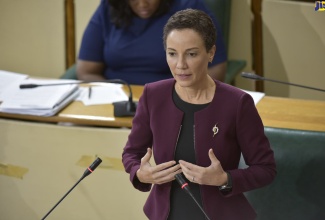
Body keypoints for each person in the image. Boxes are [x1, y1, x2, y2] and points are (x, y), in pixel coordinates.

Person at [122, 8, 276, 220]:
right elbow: (131, 153)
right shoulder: (152, 95)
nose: (180, 65)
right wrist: (139, 173)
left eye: (191, 54)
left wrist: (225, 179)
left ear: (211, 53)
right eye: (172, 53)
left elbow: (266, 168)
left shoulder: (237, 103)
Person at [77, 0, 227, 85]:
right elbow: (86, 70)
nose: (142, 4)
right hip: (116, 101)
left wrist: (182, 98)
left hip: (172, 100)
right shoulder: (109, 7)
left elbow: (216, 68)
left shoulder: (189, 7)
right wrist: (116, 95)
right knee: (68, 127)